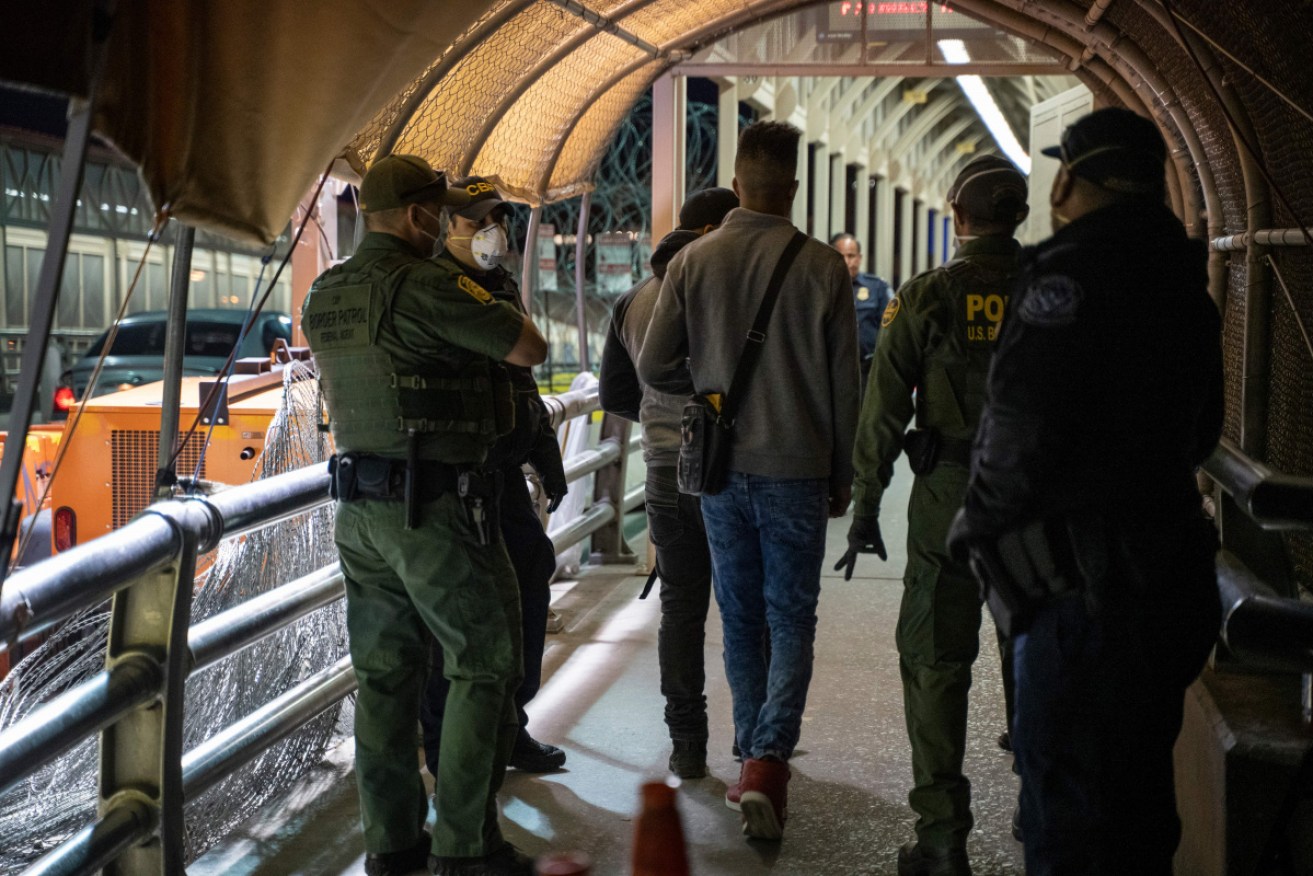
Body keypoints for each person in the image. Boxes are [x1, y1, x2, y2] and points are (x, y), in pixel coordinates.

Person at [947, 107, 1224, 875]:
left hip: (1082, 596)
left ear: (1068, 179)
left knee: (1066, 817)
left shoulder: (1063, 279)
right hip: (1169, 579)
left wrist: (979, 533)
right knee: (1137, 809)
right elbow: (1201, 433)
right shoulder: (1185, 287)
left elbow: (1017, 430)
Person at [302, 154, 547, 876]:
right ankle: (465, 848)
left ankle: (393, 845)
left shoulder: (327, 293)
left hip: (358, 512)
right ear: (417, 217)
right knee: (483, 665)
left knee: (385, 678)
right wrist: (474, 285)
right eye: (438, 213)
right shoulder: (427, 286)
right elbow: (528, 347)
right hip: (434, 509)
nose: (445, 223)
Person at [637, 120, 860, 841]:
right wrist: (841, 472)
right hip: (796, 468)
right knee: (790, 615)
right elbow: (844, 386)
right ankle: (768, 759)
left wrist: (707, 390)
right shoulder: (824, 268)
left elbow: (650, 366)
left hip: (719, 472)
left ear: (736, 184)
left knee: (737, 615)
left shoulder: (694, 261)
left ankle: (748, 755)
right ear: (792, 187)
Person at [835, 154, 1029, 876]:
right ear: (1018, 215)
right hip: (1032, 504)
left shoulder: (925, 295)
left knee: (934, 661)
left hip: (947, 496)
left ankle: (942, 839)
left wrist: (863, 510)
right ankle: (1038, 813)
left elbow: (882, 412)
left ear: (957, 216)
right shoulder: (1052, 291)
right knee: (1032, 652)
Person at [421, 175, 570, 777]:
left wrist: (546, 455)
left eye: (495, 218)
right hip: (451, 475)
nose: (491, 231)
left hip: (501, 472)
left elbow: (521, 383)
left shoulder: (497, 281)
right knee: (453, 617)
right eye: (474, 220)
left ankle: (512, 724)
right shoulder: (431, 288)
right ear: (440, 227)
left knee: (531, 573)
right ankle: (444, 742)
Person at [598, 186, 740, 780]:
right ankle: (756, 741)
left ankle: (686, 742)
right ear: (714, 231)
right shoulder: (725, 291)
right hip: (732, 467)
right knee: (744, 605)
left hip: (663, 467)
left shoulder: (632, 298)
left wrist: (660, 418)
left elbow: (614, 395)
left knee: (681, 607)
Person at [830, 231, 892, 387]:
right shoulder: (823, 288)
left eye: (851, 256)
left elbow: (890, 329)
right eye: (841, 256)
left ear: (859, 258)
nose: (847, 261)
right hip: (832, 370)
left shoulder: (877, 287)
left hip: (867, 370)